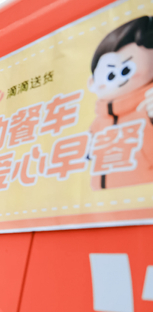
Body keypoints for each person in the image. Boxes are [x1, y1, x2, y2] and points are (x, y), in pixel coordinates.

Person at [88, 15, 153, 189]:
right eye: (110, 75)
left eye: (126, 70)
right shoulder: (98, 122)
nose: (120, 78)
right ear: (92, 83)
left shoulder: (149, 105)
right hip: (102, 199)